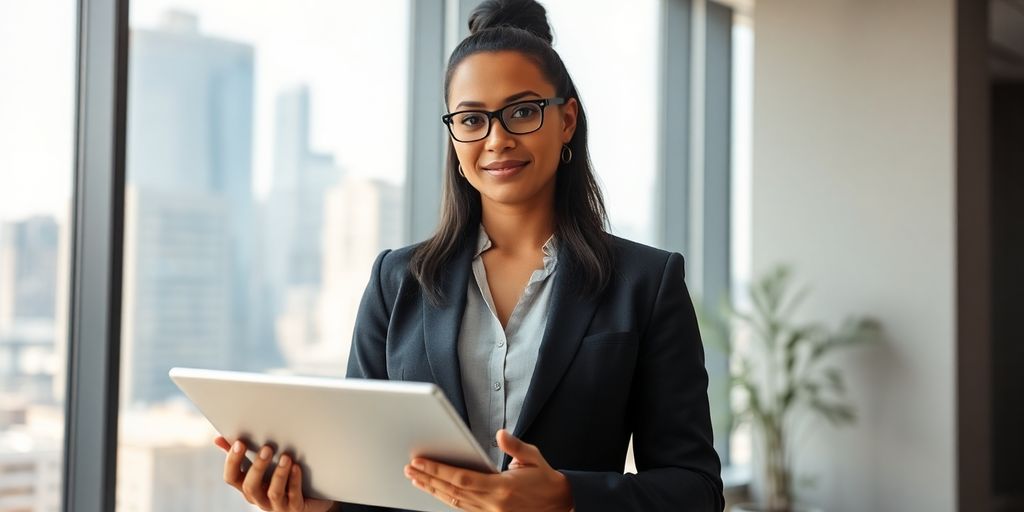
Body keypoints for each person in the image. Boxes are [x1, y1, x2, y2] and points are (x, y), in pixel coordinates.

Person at [214, 0, 724, 510]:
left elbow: (695, 490)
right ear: (454, 135)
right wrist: (317, 504)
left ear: (567, 119)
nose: (497, 139)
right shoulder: (397, 281)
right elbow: (369, 480)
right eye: (472, 119)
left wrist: (567, 496)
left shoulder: (646, 282)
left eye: (523, 112)